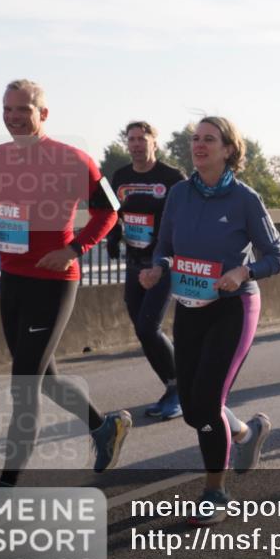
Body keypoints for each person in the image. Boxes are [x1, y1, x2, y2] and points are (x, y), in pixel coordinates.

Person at [0, 80, 130, 523]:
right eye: (7, 109)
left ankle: (5, 492)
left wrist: (74, 249)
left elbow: (110, 210)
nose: (13, 117)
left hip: (53, 282)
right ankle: (104, 426)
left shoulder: (73, 159)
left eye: (23, 109)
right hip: (13, 278)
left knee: (24, 386)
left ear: (43, 113)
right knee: (45, 378)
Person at [139, 117, 280, 523]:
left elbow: (278, 257)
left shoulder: (245, 199)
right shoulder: (179, 194)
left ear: (228, 150)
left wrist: (243, 271)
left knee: (206, 402)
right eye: (195, 139)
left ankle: (215, 493)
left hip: (233, 307)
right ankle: (245, 433)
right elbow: (164, 247)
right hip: (190, 306)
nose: (199, 145)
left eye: (209, 139)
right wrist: (157, 268)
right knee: (192, 409)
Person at [107, 122, 187, 418]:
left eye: (142, 139)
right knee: (142, 330)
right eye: (131, 139)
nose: (136, 144)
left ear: (154, 142)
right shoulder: (120, 176)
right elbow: (111, 212)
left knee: (148, 327)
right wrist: (113, 234)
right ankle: (173, 385)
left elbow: (184, 218)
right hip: (134, 263)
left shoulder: (172, 178)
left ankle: (180, 389)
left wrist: (162, 247)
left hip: (163, 263)